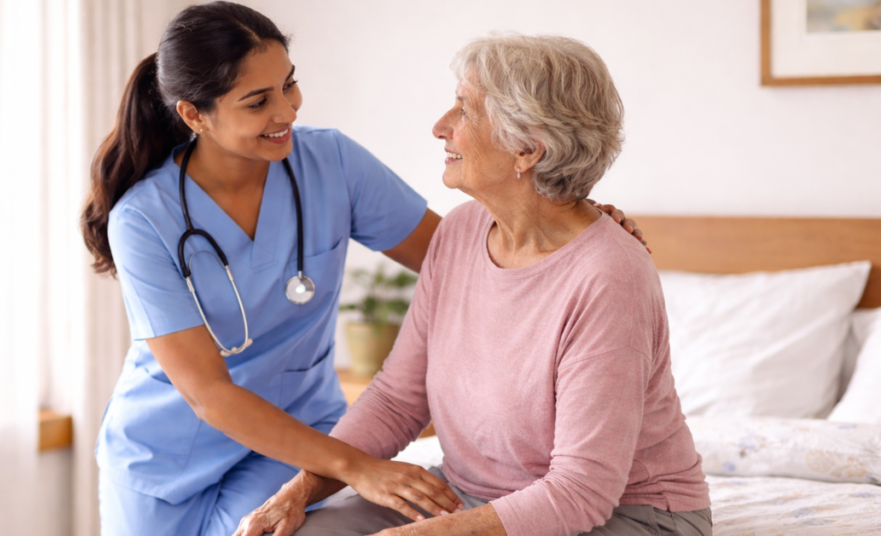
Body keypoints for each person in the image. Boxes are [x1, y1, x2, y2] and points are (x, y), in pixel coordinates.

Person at [81, 4, 647, 535]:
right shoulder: (144, 218)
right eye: (257, 103)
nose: (287, 112)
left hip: (298, 439)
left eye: (290, 84)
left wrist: (573, 221)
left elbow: (475, 259)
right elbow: (208, 393)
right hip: (169, 448)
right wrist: (359, 467)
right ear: (192, 115)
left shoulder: (331, 164)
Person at [235, 34, 712, 536]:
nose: (441, 127)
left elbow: (581, 491)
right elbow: (398, 399)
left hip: (628, 512)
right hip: (468, 494)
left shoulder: (610, 276)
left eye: (464, 109)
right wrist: (300, 491)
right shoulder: (460, 232)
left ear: (527, 148)